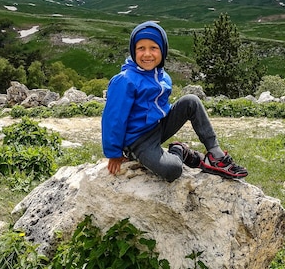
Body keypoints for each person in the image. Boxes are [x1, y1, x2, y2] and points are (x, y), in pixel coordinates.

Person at [101, 20, 248, 182]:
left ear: (163, 51)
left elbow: (159, 106)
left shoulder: (163, 77)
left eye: (154, 48)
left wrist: (171, 116)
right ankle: (179, 150)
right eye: (141, 48)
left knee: (190, 100)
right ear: (132, 50)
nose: (147, 54)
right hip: (138, 140)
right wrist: (114, 153)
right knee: (172, 170)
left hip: (158, 126)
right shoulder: (124, 80)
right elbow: (112, 119)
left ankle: (215, 154)